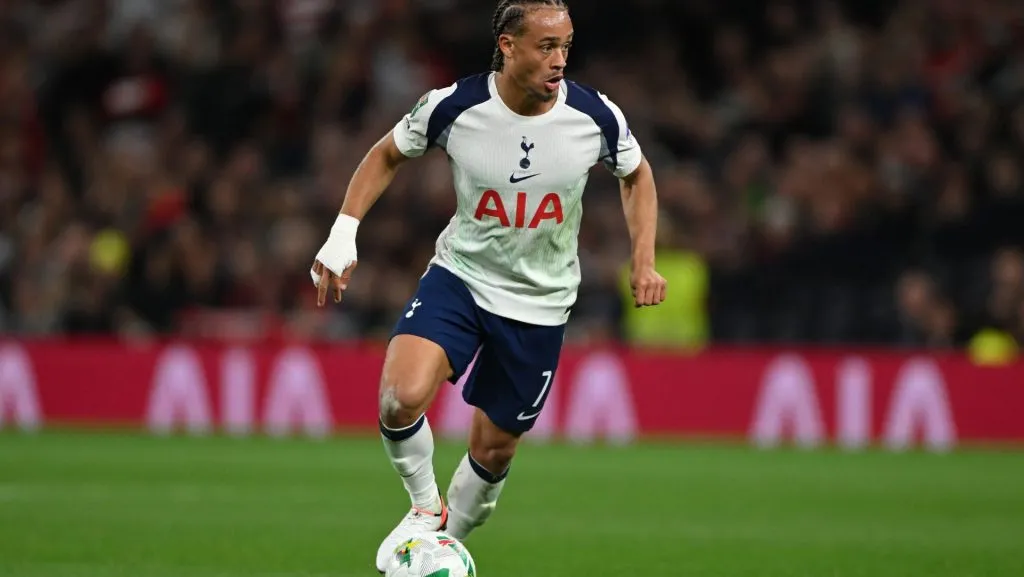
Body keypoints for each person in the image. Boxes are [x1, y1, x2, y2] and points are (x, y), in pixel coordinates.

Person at [309, 0, 666, 571]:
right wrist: (343, 233)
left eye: (566, 47)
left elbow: (638, 174)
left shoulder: (594, 116)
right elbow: (385, 155)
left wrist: (642, 260)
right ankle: (425, 514)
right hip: (462, 278)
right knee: (399, 398)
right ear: (507, 46)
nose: (559, 61)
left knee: (494, 450)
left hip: (540, 303)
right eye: (546, 46)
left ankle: (444, 543)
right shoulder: (456, 105)